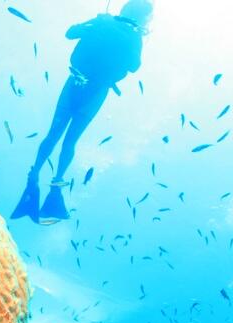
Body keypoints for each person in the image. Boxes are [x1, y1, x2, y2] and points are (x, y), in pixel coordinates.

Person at [11, 0, 153, 223]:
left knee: (53, 134)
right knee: (70, 142)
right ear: (144, 18)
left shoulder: (102, 21)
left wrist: (96, 26)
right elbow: (134, 66)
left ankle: (34, 176)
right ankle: (56, 186)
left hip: (75, 82)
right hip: (97, 91)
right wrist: (132, 38)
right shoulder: (134, 36)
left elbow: (70, 33)